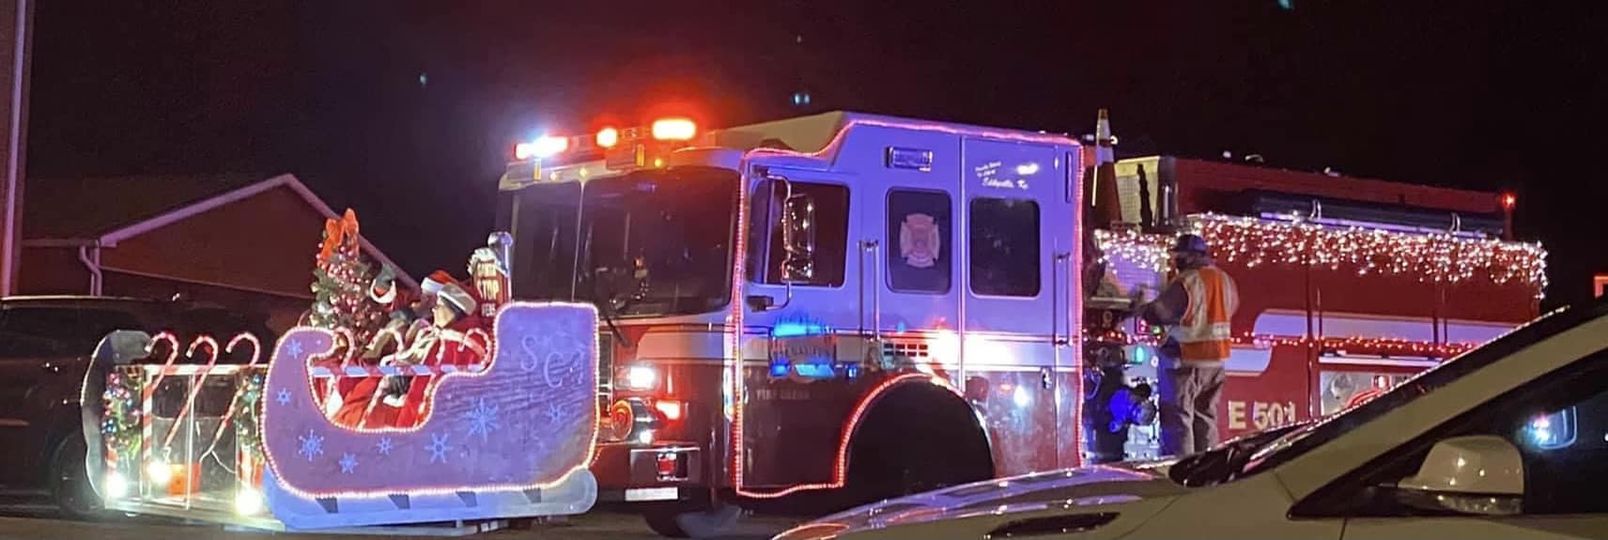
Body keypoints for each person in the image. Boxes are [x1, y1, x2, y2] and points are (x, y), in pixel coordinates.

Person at [1134, 233, 1239, 456]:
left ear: (1190, 257)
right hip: (1216, 364)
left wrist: (1140, 306)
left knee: (1178, 421)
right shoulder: (1225, 280)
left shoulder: (1189, 281)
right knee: (1206, 419)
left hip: (1186, 362)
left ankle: (1180, 473)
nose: (1174, 261)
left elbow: (1159, 312)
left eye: (1178, 255)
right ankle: (1208, 472)